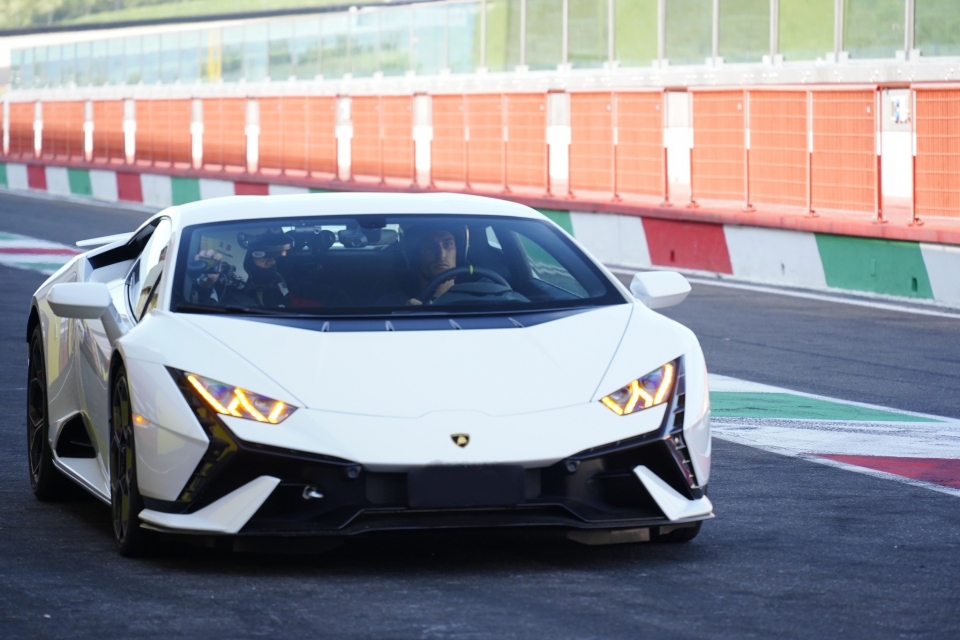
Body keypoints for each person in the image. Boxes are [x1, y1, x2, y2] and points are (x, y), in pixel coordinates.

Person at [192, 230, 294, 308]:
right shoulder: (217, 291)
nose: (273, 262)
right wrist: (205, 287)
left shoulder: (275, 281)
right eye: (264, 255)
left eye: (274, 256)